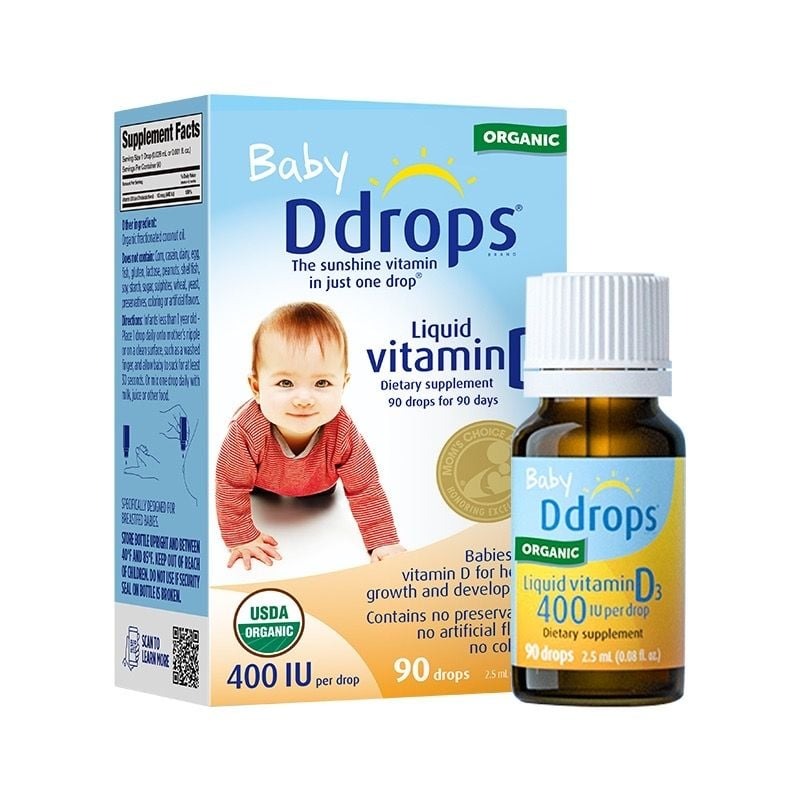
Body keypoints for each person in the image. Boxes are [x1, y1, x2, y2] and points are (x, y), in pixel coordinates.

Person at [216, 302, 405, 569]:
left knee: (322, 495)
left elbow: (365, 487)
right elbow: (230, 485)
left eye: (322, 383)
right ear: (256, 387)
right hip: (261, 480)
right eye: (285, 383)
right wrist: (241, 536)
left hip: (319, 483)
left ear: (343, 385)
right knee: (247, 484)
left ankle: (317, 490)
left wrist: (383, 541)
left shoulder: (343, 431)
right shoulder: (246, 430)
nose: (304, 399)